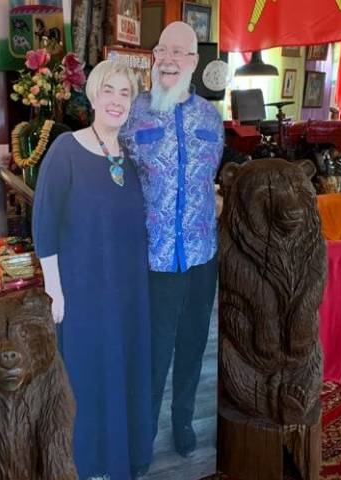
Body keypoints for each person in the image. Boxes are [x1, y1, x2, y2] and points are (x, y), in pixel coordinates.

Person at [33, 60, 153, 479]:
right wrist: (54, 288)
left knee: (124, 372)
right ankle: (87, 466)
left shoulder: (133, 156)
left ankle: (121, 462)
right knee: (87, 376)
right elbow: (44, 222)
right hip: (83, 290)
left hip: (129, 290)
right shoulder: (66, 150)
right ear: (93, 96)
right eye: (109, 91)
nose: (116, 101)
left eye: (125, 93)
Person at [119, 21, 223, 458]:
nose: (168, 59)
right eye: (162, 50)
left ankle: (183, 421)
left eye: (179, 52)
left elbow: (210, 179)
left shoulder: (210, 117)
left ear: (194, 61)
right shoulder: (132, 113)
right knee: (153, 352)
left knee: (193, 345)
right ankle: (142, 438)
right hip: (154, 258)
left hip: (201, 255)